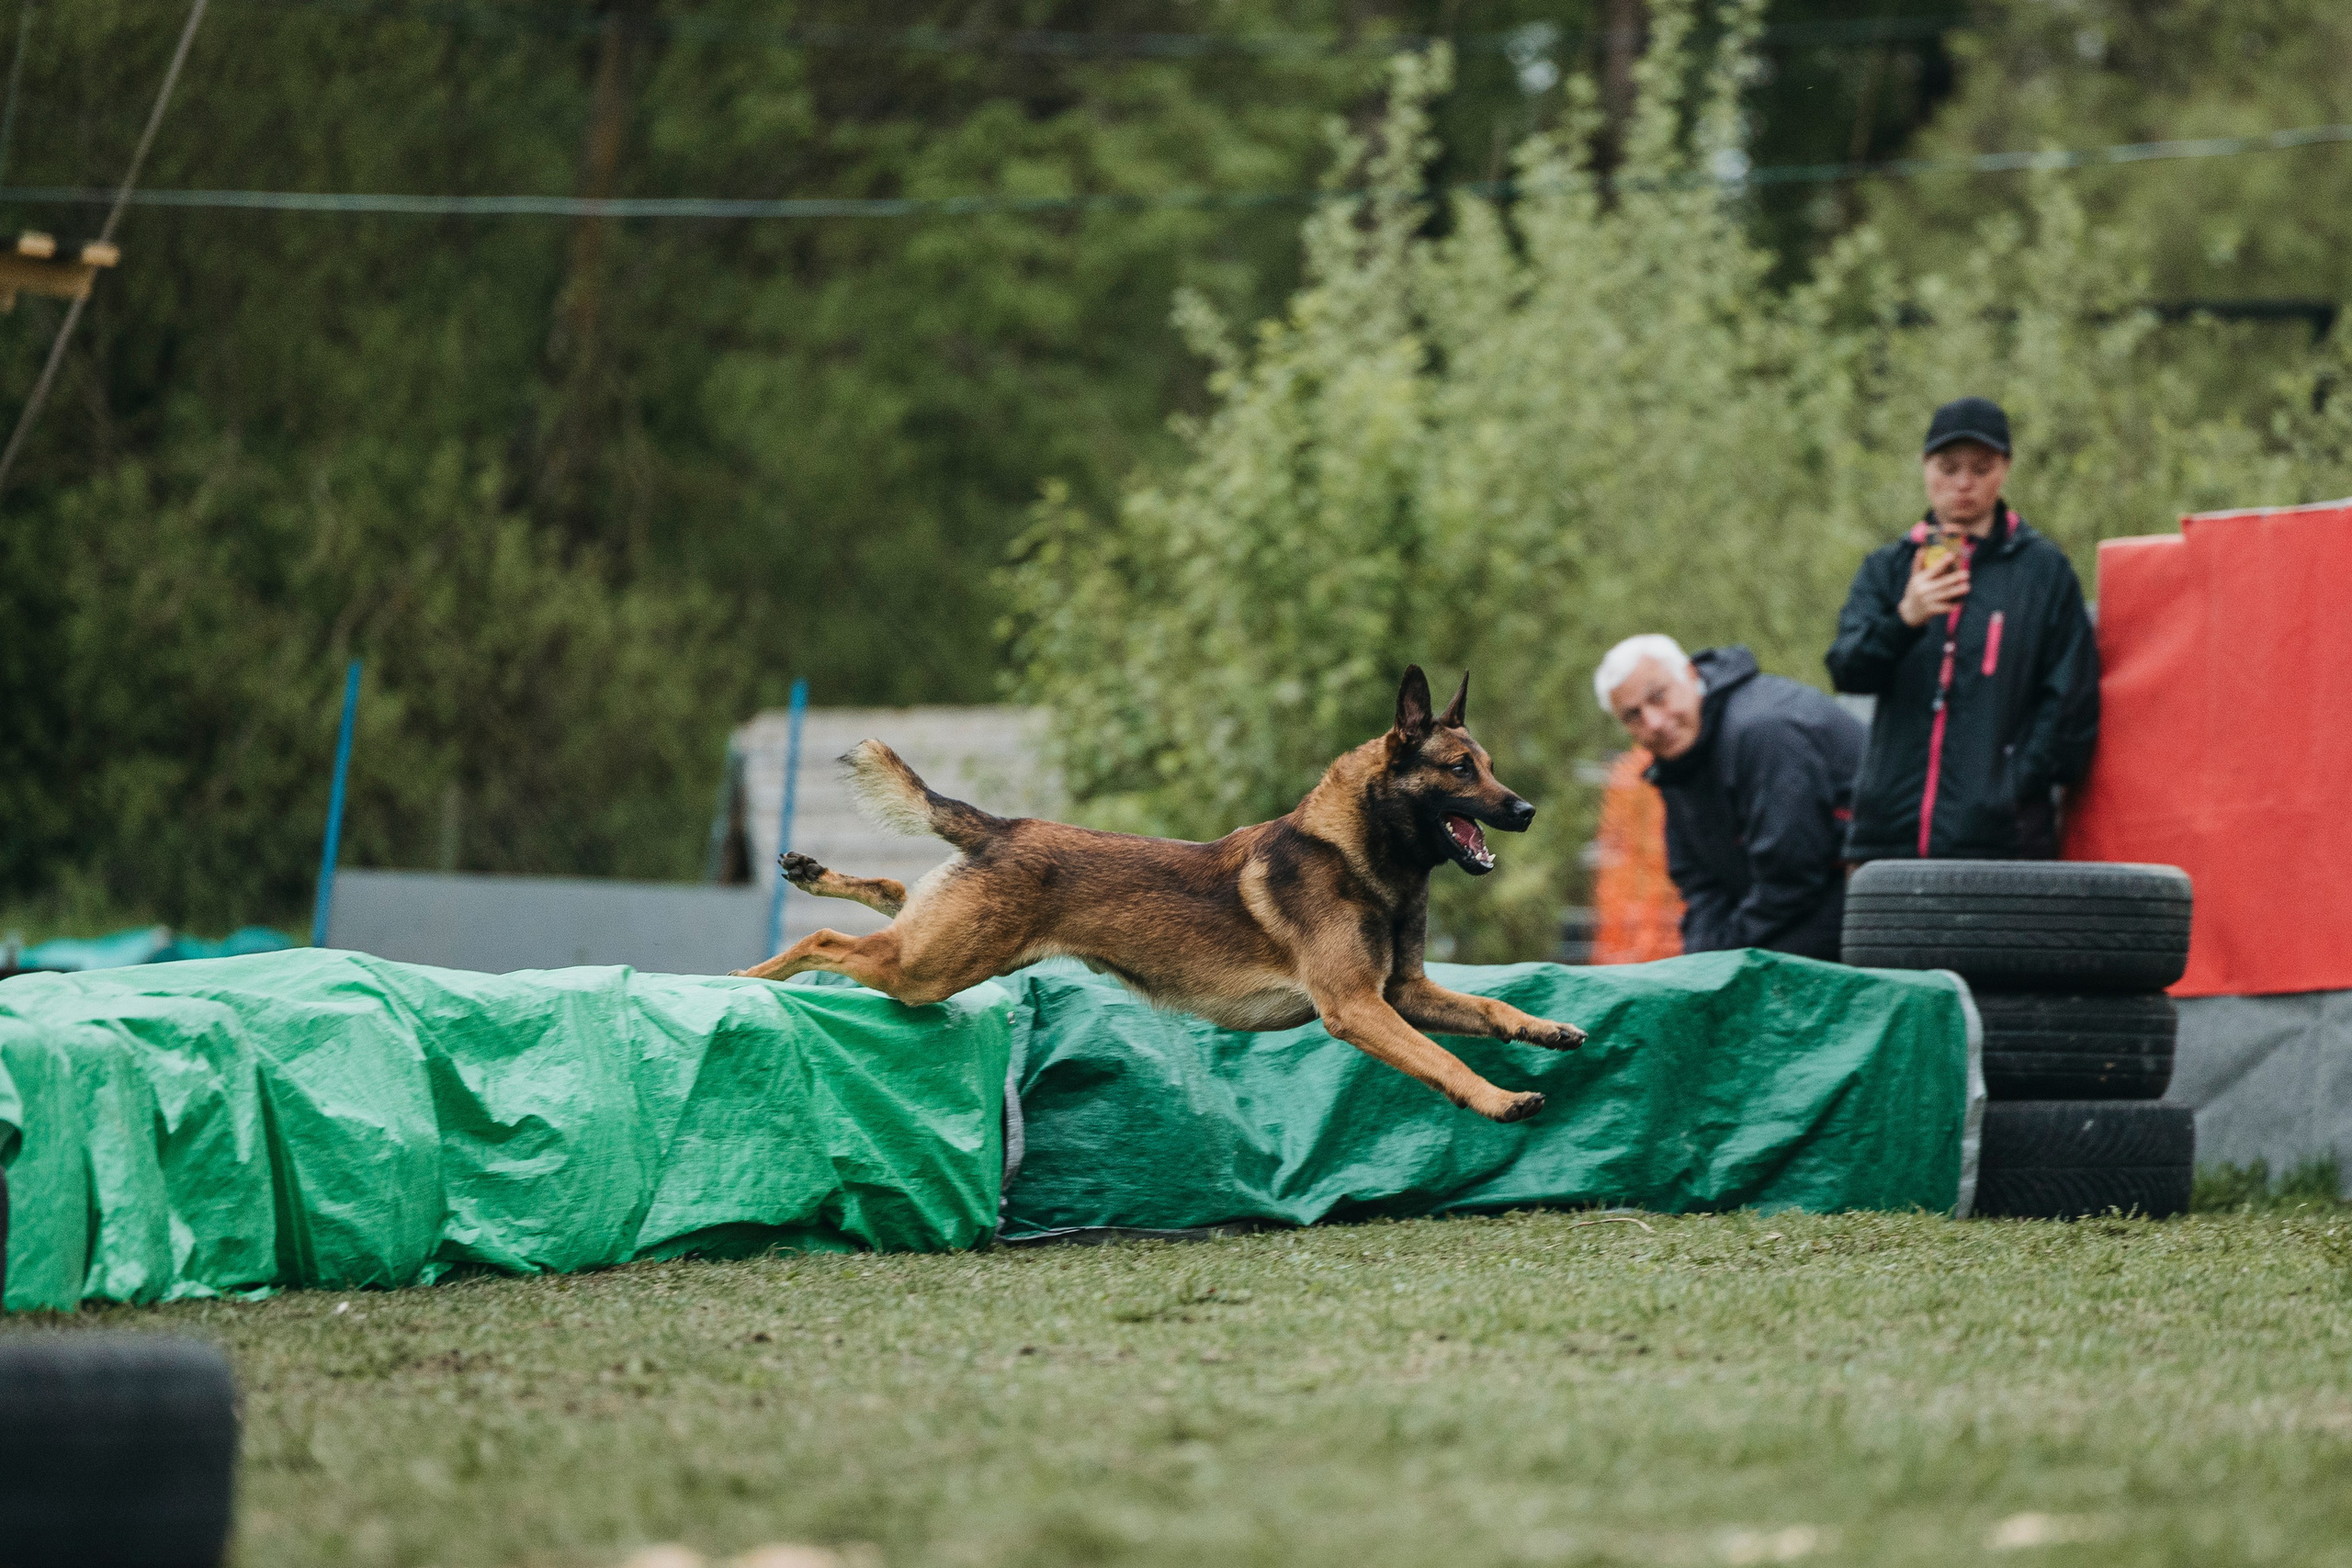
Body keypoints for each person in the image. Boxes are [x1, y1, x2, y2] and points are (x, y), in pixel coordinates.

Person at [1826, 396, 2098, 861]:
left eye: (1981, 468)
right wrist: (1905, 620)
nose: (1964, 483)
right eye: (1948, 468)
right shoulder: (1888, 569)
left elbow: (2071, 704)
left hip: (2002, 841)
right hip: (1889, 837)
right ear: (1925, 467)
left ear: (2005, 468)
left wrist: (2009, 787)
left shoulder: (2044, 573)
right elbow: (1848, 671)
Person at [1595, 636, 1866, 961]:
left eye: (1658, 697)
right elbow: (1699, 883)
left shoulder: (1763, 729)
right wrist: (1703, 962)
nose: (1654, 722)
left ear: (1690, 674)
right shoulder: (1678, 764)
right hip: (1791, 910)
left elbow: (1792, 873)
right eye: (1633, 716)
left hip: (1862, 903)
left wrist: (1723, 957)